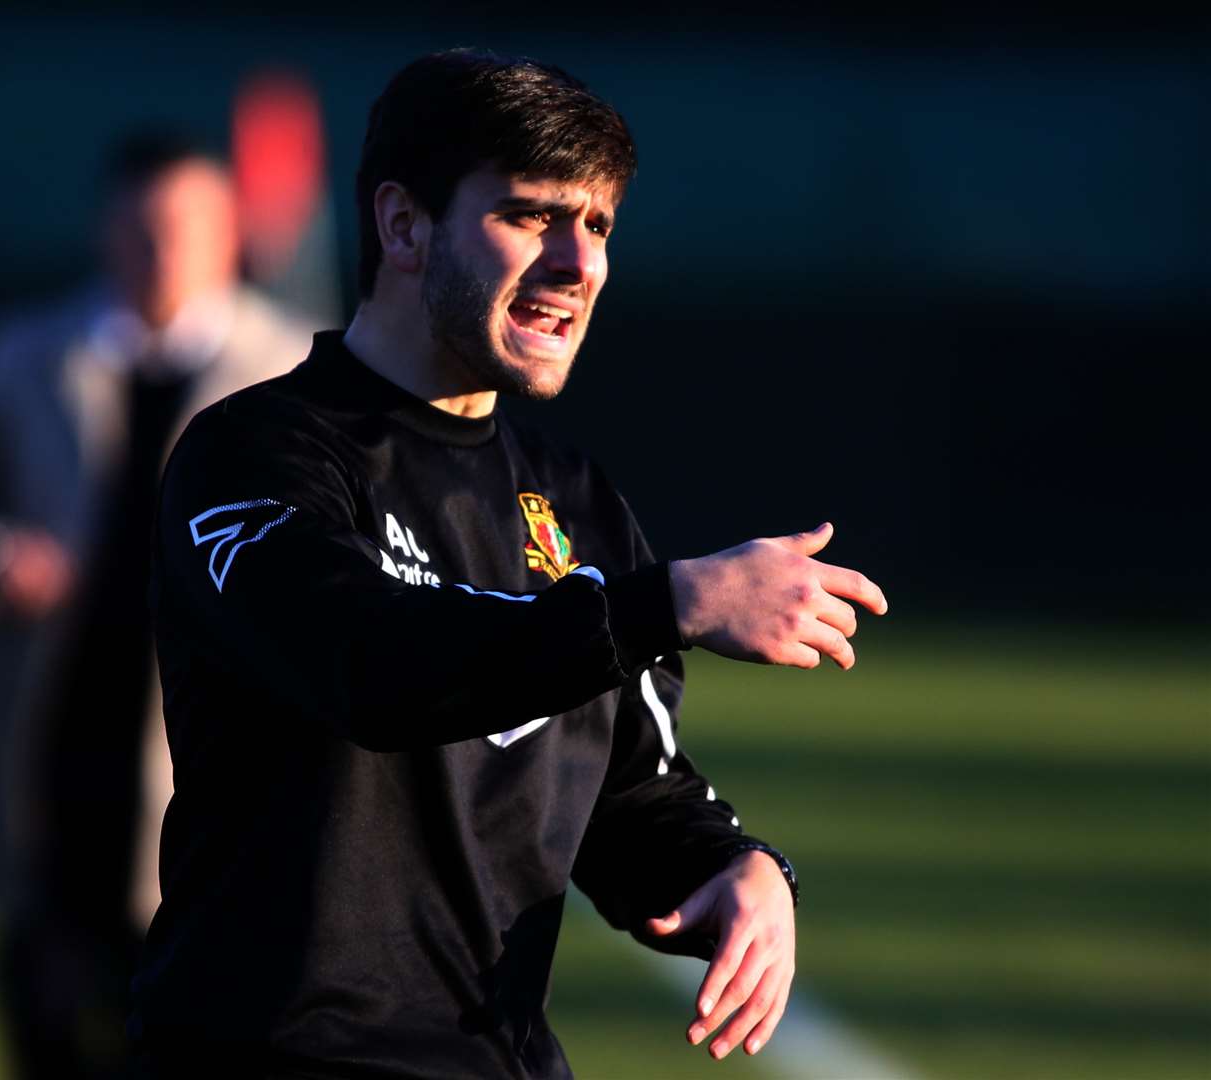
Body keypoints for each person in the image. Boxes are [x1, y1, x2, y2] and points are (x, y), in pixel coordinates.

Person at [130, 50, 888, 1079]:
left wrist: (733, 868)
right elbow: (370, 664)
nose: (578, 264)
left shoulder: (579, 506)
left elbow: (629, 791)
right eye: (532, 215)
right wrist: (670, 602)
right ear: (404, 226)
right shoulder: (252, 457)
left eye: (600, 225)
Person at [0, 133, 311, 1078]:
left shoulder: (292, 371)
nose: (160, 251)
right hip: (46, 760)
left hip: (214, 790)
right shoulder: (24, 354)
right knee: (48, 1032)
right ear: (106, 231)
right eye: (140, 228)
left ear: (231, 232)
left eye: (183, 228)